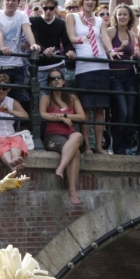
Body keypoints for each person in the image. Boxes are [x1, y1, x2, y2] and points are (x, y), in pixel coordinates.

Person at [66, 0, 115, 155]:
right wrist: (81, 39)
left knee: (100, 108)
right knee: (86, 108)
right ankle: (87, 146)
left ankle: (100, 146)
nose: (90, 2)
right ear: (81, 1)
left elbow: (105, 37)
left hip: (101, 65)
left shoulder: (100, 21)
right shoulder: (72, 17)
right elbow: (71, 37)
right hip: (84, 66)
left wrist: (111, 51)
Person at [40, 68, 86, 205]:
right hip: (52, 137)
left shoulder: (72, 98)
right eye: (53, 79)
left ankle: (61, 168)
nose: (56, 80)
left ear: (64, 81)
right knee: (76, 152)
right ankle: (72, 191)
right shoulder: (46, 98)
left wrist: (63, 116)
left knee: (77, 135)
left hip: (71, 135)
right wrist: (62, 120)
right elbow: (42, 114)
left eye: (58, 77)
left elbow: (82, 116)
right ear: (49, 83)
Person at [0, 0, 40, 103]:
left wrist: (33, 45)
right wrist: (2, 47)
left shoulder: (21, 15)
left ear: (18, 2)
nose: (10, 2)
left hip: (16, 66)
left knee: (16, 102)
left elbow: (27, 29)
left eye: (13, 0)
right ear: (2, 1)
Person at [106, 2, 137, 155]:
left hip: (130, 75)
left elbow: (131, 55)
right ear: (116, 17)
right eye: (120, 14)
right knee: (122, 112)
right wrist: (120, 48)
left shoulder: (132, 34)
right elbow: (106, 52)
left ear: (129, 16)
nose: (122, 16)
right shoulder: (111, 31)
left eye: (125, 14)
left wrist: (134, 56)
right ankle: (117, 147)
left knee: (131, 112)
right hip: (115, 75)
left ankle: (127, 145)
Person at [30, 0, 76, 95]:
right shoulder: (34, 21)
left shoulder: (61, 23)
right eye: (45, 8)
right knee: (42, 99)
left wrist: (70, 51)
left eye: (51, 8)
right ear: (41, 8)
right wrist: (43, 50)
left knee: (59, 97)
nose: (48, 11)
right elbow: (34, 40)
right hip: (41, 67)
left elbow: (66, 42)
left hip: (58, 66)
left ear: (56, 8)